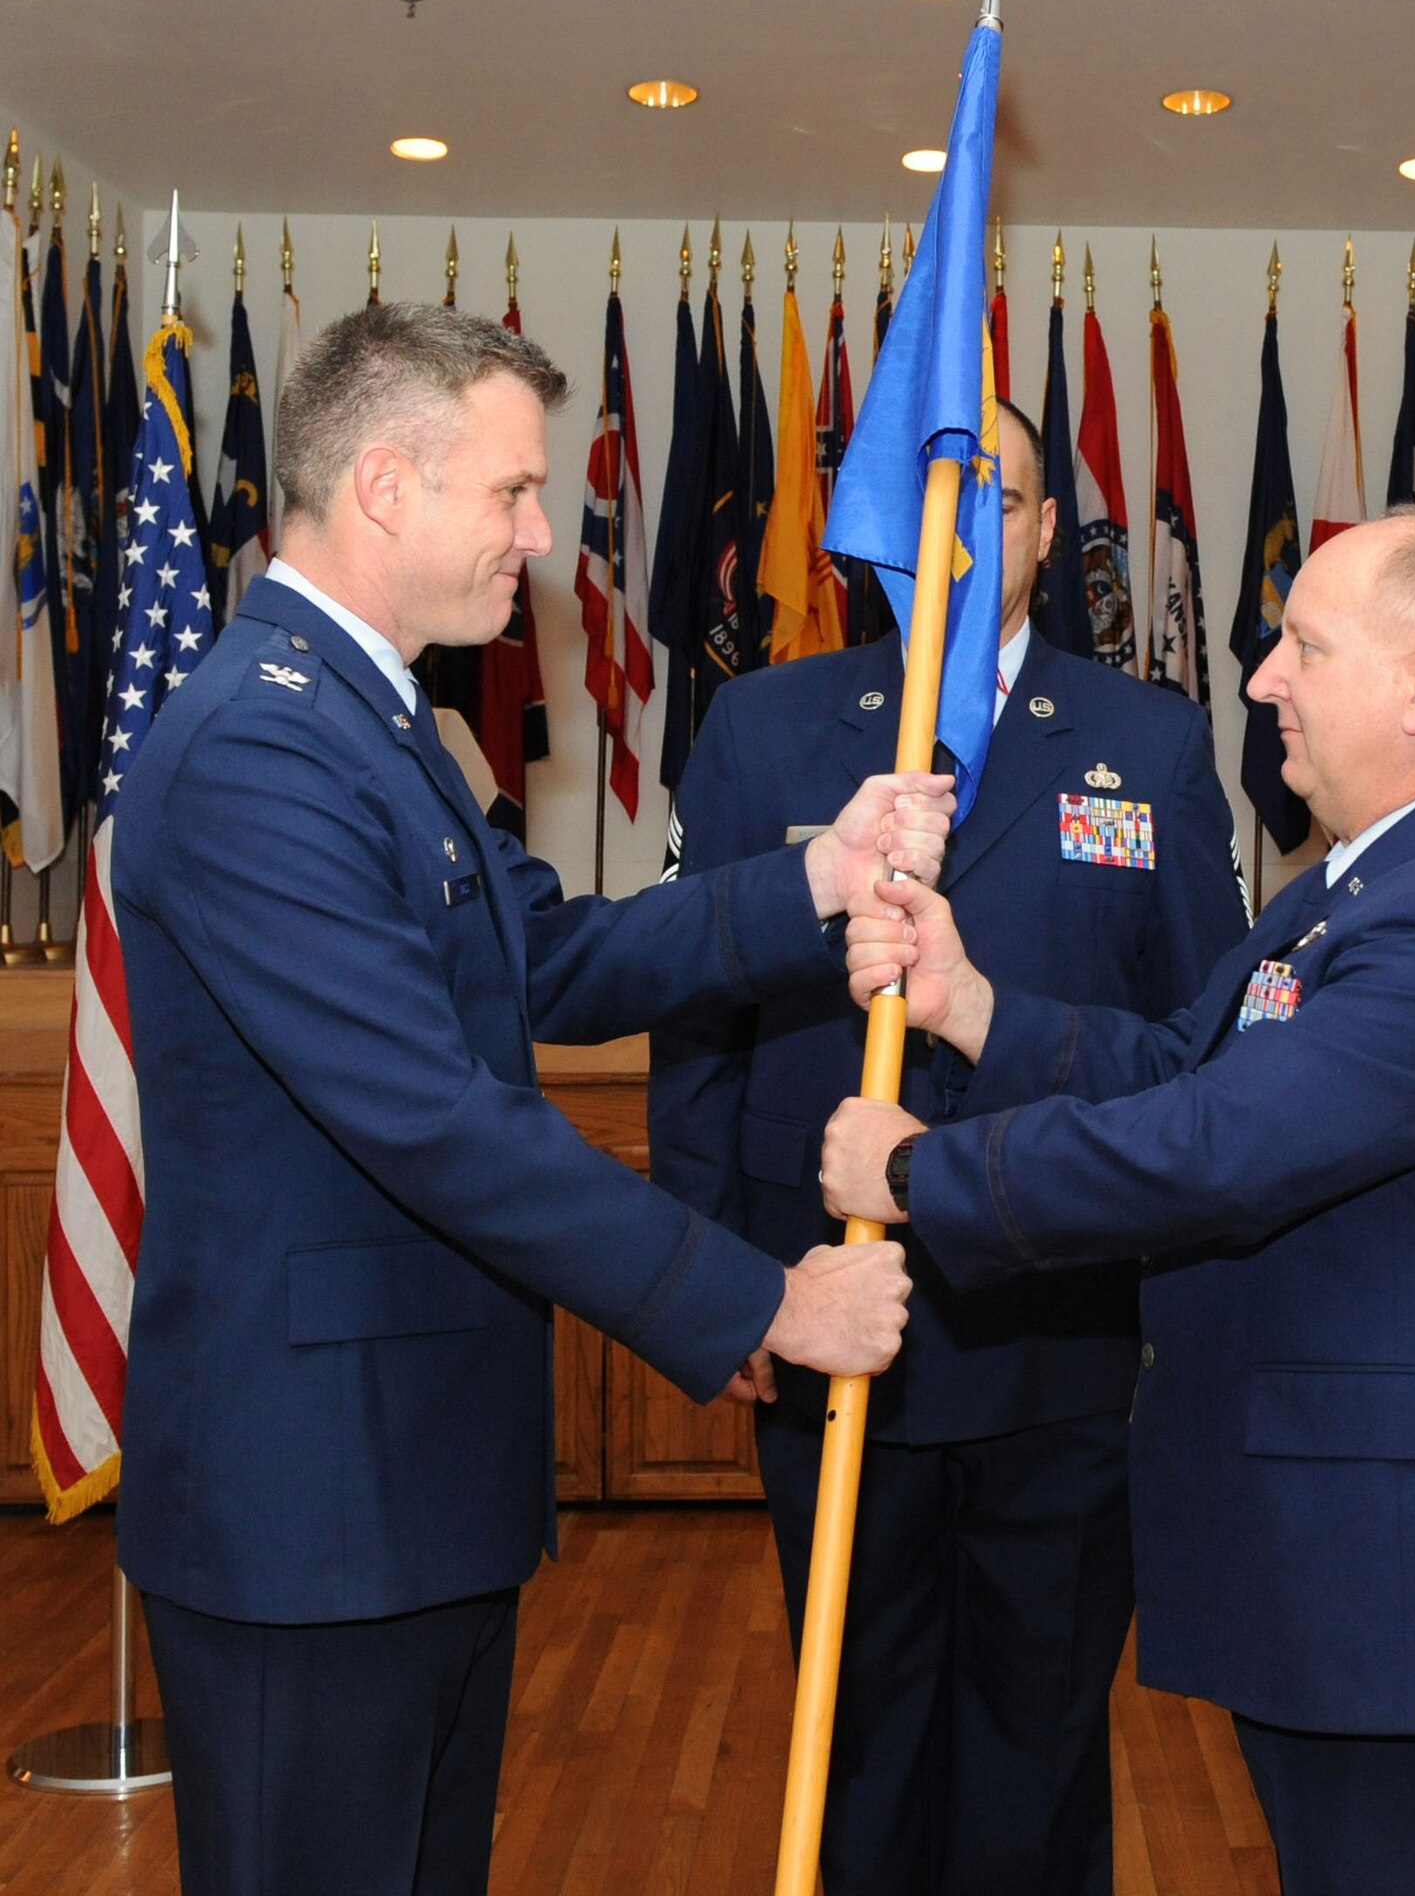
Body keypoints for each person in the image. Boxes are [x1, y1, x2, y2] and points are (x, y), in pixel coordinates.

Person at [111, 302, 949, 1896]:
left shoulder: (374, 722)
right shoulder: (257, 752)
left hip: (410, 1486)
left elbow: (543, 957)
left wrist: (818, 881)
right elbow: (435, 1119)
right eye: (510, 491)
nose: (541, 534)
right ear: (383, 486)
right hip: (311, 1508)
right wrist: (764, 1300)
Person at [823, 509, 1415, 1896]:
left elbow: (1218, 1146)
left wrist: (920, 1175)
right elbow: (1187, 1067)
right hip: (1350, 1577)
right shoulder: (1361, 882)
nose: (1262, 679)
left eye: (1304, 647)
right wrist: (973, 1009)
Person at [648, 397, 1247, 1896]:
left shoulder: (1149, 742)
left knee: (1038, 1748)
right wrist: (715, 1284)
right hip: (829, 1320)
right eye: (938, 493)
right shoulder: (765, 727)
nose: (967, 526)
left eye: (1002, 496)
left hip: (1062, 1332)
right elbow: (699, 1021)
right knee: (856, 1740)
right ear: (877, 524)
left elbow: (1202, 1047)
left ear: (1046, 530)